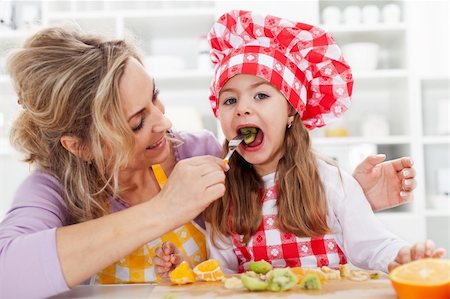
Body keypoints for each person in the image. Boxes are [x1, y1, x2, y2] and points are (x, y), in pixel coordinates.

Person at [0, 25, 415, 299]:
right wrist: (165, 210)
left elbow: (272, 196)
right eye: (138, 120)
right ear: (82, 146)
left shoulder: (197, 151)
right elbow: (7, 273)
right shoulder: (53, 189)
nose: (164, 121)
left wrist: (346, 198)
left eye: (155, 97)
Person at [154, 10, 444, 276]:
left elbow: (373, 245)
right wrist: (187, 271)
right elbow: (224, 272)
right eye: (230, 99)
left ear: (291, 111)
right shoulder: (223, 195)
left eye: (261, 96)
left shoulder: (331, 181)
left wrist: (403, 256)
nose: (242, 108)